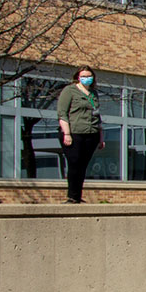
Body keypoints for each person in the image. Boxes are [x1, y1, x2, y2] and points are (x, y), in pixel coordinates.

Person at [55, 67, 102, 204]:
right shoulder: (69, 91)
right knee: (74, 163)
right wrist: (67, 133)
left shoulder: (93, 94)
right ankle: (72, 196)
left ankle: (77, 195)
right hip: (74, 133)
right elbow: (62, 113)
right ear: (78, 77)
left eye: (89, 75)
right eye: (84, 75)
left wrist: (101, 136)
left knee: (82, 166)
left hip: (91, 134)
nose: (87, 78)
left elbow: (97, 116)